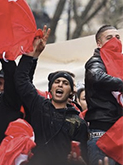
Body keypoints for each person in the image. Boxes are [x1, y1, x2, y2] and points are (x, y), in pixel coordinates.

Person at [14, 27, 88, 165]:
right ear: (51, 88)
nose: (60, 85)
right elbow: (21, 80)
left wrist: (77, 160)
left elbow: (84, 159)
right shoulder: (39, 105)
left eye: (65, 83)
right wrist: (33, 54)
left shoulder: (78, 122)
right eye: (57, 82)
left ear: (72, 92)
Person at [84, 25, 123, 165]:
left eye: (118, 37)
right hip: (102, 133)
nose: (115, 41)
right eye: (109, 38)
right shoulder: (96, 61)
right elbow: (96, 76)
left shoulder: (120, 64)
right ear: (99, 43)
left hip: (119, 134)